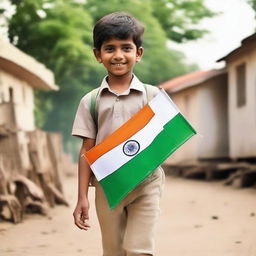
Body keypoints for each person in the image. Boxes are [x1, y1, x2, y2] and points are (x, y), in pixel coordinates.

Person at [72, 12, 165, 256]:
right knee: (113, 251)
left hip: (147, 183)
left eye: (126, 47)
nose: (118, 55)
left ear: (138, 53)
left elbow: (165, 139)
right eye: (109, 48)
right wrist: (82, 197)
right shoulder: (90, 101)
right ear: (97, 55)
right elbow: (87, 151)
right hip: (107, 186)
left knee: (139, 250)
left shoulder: (153, 96)